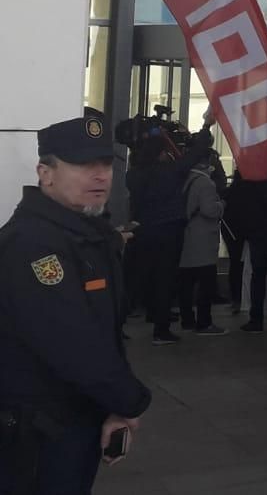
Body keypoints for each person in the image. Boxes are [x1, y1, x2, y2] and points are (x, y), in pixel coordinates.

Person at [0, 117, 151, 493]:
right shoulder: (33, 244)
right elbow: (72, 341)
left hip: (77, 416)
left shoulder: (87, 235)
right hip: (38, 433)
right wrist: (129, 400)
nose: (100, 176)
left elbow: (104, 332)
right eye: (83, 165)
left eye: (105, 165)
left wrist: (113, 405)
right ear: (45, 173)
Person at [124, 135, 188, 345]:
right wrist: (206, 126)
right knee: (164, 281)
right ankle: (161, 329)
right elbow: (193, 158)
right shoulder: (168, 172)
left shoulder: (132, 174)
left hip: (141, 231)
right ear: (161, 153)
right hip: (167, 233)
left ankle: (115, 324)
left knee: (135, 280)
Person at [175, 136, 226, 337]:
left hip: (188, 237)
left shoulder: (185, 178)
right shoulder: (205, 183)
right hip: (202, 238)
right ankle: (204, 323)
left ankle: (187, 320)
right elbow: (209, 210)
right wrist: (221, 205)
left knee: (186, 283)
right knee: (206, 284)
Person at [221, 172, 267, 329]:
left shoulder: (234, 190)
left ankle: (248, 309)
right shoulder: (266, 187)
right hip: (260, 232)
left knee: (249, 271)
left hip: (240, 233)